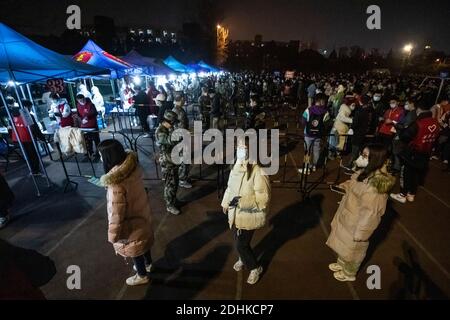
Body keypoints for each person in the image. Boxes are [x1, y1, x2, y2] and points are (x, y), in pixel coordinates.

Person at [326, 144, 395, 282]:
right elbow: (354, 184)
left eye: (365, 156)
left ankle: (349, 273)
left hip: (357, 223)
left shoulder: (376, 186)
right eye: (362, 154)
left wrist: (362, 233)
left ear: (375, 159)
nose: (360, 158)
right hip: (349, 216)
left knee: (354, 250)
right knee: (344, 244)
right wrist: (344, 186)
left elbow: (372, 213)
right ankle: (342, 264)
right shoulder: (365, 172)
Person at [98, 139, 154, 286]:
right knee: (143, 239)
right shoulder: (132, 167)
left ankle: (142, 275)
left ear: (108, 156)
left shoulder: (115, 182)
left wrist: (113, 235)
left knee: (133, 245)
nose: (100, 158)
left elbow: (116, 213)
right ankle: (148, 263)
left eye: (101, 155)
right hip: (141, 212)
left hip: (130, 221)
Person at [221, 140, 271, 285]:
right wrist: (226, 203)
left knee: (241, 245)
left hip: (249, 215)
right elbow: (230, 188)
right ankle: (243, 258)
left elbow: (263, 199)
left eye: (244, 148)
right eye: (239, 147)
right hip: (235, 213)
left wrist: (240, 202)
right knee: (239, 241)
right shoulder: (236, 166)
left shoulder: (259, 171)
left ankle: (255, 268)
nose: (240, 150)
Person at [390, 102, 440, 204]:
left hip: (412, 152)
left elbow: (405, 137)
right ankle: (411, 194)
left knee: (406, 173)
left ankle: (402, 194)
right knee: (416, 174)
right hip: (425, 152)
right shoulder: (435, 123)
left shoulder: (418, 123)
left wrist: (400, 128)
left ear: (418, 111)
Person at [155, 110, 181, 215]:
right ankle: (169, 205)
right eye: (173, 122)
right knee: (170, 184)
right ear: (168, 121)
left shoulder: (167, 128)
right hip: (167, 161)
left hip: (172, 159)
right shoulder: (160, 131)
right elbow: (171, 140)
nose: (174, 124)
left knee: (175, 182)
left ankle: (173, 200)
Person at [301, 93, 330, 173]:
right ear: (321, 101)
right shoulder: (326, 112)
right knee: (316, 150)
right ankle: (314, 166)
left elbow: (303, 122)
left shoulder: (308, 110)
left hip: (308, 134)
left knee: (307, 151)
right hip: (318, 135)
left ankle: (307, 167)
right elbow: (326, 124)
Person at [344, 95, 371, 172]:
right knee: (361, 150)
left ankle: (351, 166)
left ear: (360, 101)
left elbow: (355, 123)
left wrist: (352, 128)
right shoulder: (369, 110)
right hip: (365, 133)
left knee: (355, 151)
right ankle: (357, 165)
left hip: (358, 133)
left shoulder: (360, 111)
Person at [172, 93, 192, 189]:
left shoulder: (174, 109)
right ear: (182, 99)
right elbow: (182, 127)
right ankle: (182, 179)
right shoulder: (179, 111)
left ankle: (183, 177)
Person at [76, 94, 100, 161]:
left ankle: (98, 153)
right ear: (78, 101)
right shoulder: (78, 105)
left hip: (93, 125)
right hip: (84, 126)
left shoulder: (90, 105)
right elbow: (78, 114)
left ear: (84, 98)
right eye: (80, 101)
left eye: (83, 100)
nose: (82, 101)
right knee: (87, 140)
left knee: (96, 140)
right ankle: (90, 152)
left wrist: (88, 117)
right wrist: (81, 119)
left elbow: (95, 113)